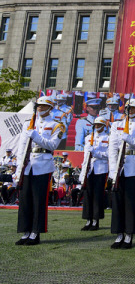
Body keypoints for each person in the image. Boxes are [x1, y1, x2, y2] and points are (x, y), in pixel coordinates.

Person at [13, 96, 65, 245]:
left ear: (50, 108)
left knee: (38, 200)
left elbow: (52, 145)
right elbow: (22, 147)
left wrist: (35, 135)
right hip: (28, 165)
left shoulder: (57, 125)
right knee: (25, 200)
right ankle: (25, 231)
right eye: (38, 105)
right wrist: (19, 169)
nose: (39, 108)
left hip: (42, 165)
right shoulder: (28, 123)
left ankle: (35, 233)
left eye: (43, 106)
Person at [108, 98, 135, 249]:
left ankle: (129, 235)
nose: (130, 111)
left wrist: (130, 139)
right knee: (118, 202)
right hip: (119, 167)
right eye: (128, 108)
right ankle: (119, 234)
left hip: (133, 166)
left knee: (131, 202)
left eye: (133, 109)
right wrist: (113, 170)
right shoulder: (116, 125)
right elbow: (112, 148)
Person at [79, 116, 109, 231]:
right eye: (95, 125)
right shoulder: (88, 138)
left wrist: (96, 153)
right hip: (89, 169)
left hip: (100, 169)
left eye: (99, 125)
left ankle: (96, 221)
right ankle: (88, 220)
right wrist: (83, 172)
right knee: (88, 195)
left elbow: (107, 154)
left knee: (97, 196)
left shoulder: (107, 138)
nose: (97, 127)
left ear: (103, 126)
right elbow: (85, 156)